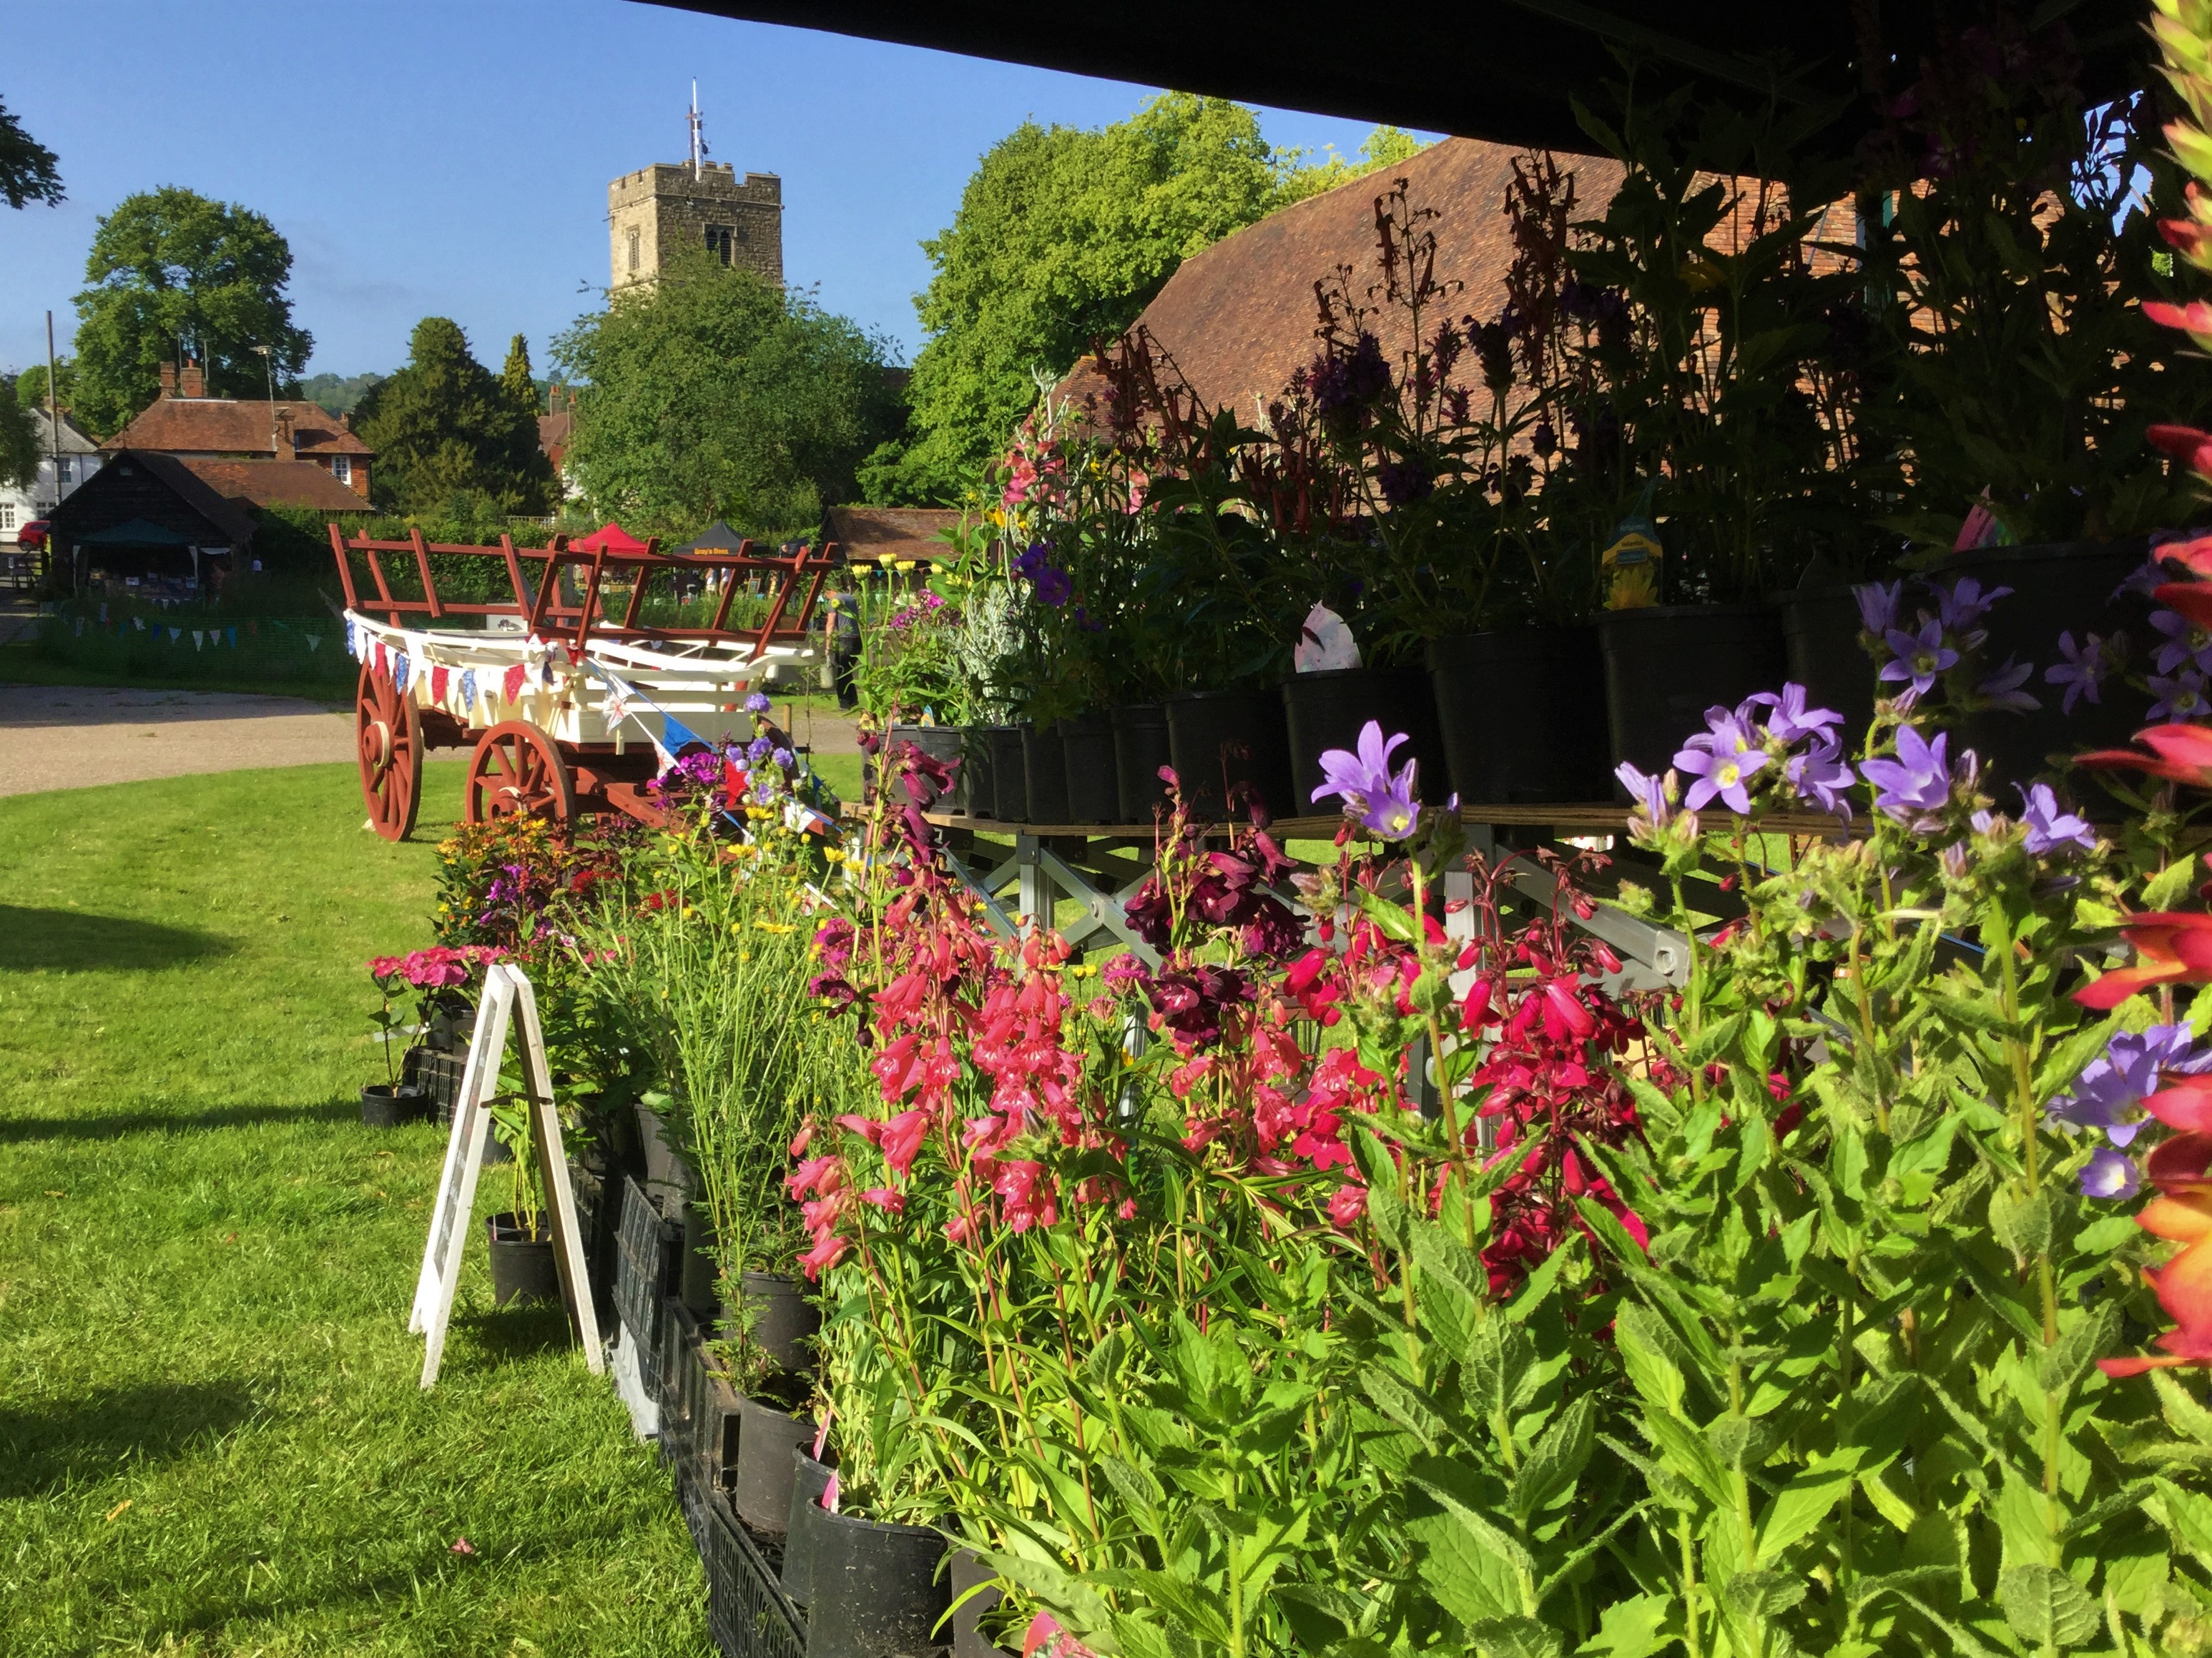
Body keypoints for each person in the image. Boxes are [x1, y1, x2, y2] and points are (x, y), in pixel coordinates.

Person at [822, 586, 862, 710]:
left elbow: (831, 623)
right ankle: (853, 699)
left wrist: (828, 646)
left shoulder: (834, 601)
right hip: (857, 638)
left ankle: (844, 703)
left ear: (828, 591)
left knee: (841, 672)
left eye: (825, 595)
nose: (825, 598)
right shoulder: (851, 598)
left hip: (844, 639)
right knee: (847, 671)